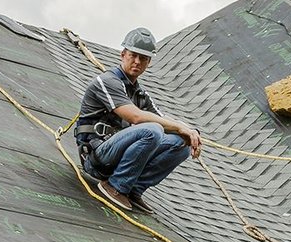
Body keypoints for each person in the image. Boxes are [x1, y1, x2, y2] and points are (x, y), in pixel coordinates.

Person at [74, 27, 201, 214]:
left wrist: (191, 132)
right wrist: (180, 127)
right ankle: (115, 187)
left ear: (148, 62)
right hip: (97, 158)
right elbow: (136, 117)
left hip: (115, 159)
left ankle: (133, 189)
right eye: (133, 55)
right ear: (123, 54)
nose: (137, 62)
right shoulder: (107, 82)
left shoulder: (140, 94)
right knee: (153, 130)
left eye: (143, 58)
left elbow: (163, 120)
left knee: (182, 143)